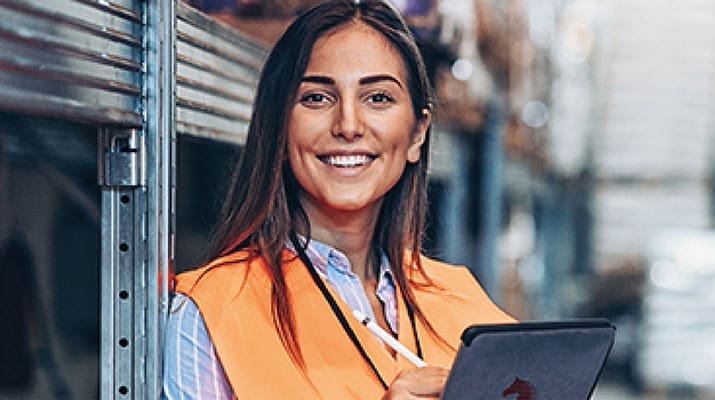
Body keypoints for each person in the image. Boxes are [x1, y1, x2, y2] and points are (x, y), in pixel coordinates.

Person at [162, 1, 514, 398]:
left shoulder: (464, 302)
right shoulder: (210, 311)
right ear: (278, 126)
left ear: (418, 133)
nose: (348, 125)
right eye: (317, 98)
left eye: (377, 98)